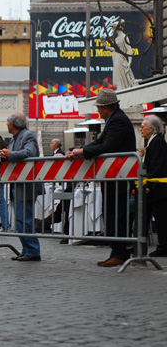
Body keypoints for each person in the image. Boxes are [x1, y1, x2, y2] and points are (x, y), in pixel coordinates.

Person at [66, 89, 136, 267]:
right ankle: (118, 251)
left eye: (98, 107)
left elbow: (107, 145)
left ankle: (120, 253)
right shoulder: (114, 119)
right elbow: (101, 142)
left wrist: (82, 151)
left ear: (105, 107)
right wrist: (79, 151)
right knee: (112, 214)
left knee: (114, 214)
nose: (97, 110)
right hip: (114, 176)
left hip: (118, 177)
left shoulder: (117, 120)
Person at [0, 113, 42, 262]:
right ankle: (26, 249)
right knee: (20, 219)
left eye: (7, 122)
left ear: (13, 124)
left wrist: (10, 154)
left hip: (26, 184)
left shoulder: (27, 136)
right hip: (17, 183)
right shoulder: (15, 138)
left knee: (25, 219)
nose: (6, 124)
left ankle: (33, 250)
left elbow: (30, 152)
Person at [139, 115, 167, 257]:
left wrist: (149, 183)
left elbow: (157, 166)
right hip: (155, 187)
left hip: (158, 188)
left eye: (143, 127)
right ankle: (140, 246)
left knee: (161, 218)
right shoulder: (153, 141)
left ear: (151, 129)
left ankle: (164, 246)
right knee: (147, 216)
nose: (140, 129)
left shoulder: (157, 142)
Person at [104, 19, 137, 90]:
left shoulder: (124, 37)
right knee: (116, 81)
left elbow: (129, 49)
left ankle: (122, 92)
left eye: (113, 28)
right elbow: (116, 50)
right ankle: (120, 91)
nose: (112, 30)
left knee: (120, 80)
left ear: (116, 28)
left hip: (120, 60)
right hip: (116, 60)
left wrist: (129, 62)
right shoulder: (117, 38)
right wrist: (106, 46)